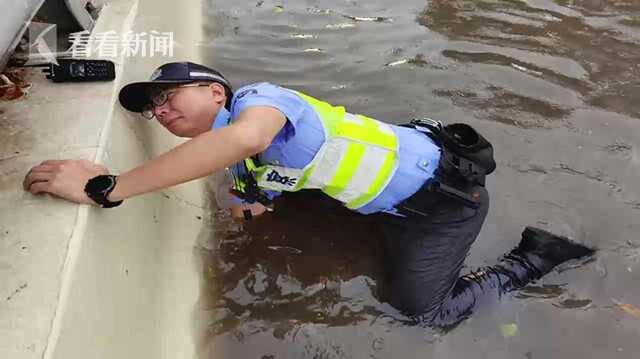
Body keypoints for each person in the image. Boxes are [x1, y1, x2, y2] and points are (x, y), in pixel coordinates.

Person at [23, 61, 594, 328]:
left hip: (445, 208)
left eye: (169, 95)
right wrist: (253, 208)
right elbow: (249, 177)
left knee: (423, 313)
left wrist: (107, 187)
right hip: (390, 203)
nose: (160, 111)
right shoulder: (241, 155)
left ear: (215, 89)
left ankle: (536, 256)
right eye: (151, 109)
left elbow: (247, 138)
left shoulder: (261, 101)